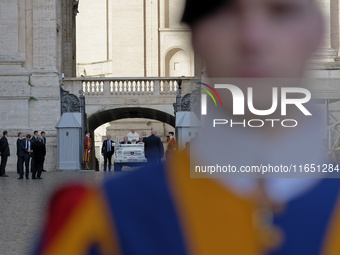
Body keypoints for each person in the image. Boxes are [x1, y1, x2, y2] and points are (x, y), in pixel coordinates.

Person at [35, 1, 336, 254]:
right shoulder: (102, 219)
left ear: (318, 31)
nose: (253, 38)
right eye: (226, 11)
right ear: (194, 36)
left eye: (281, 11)